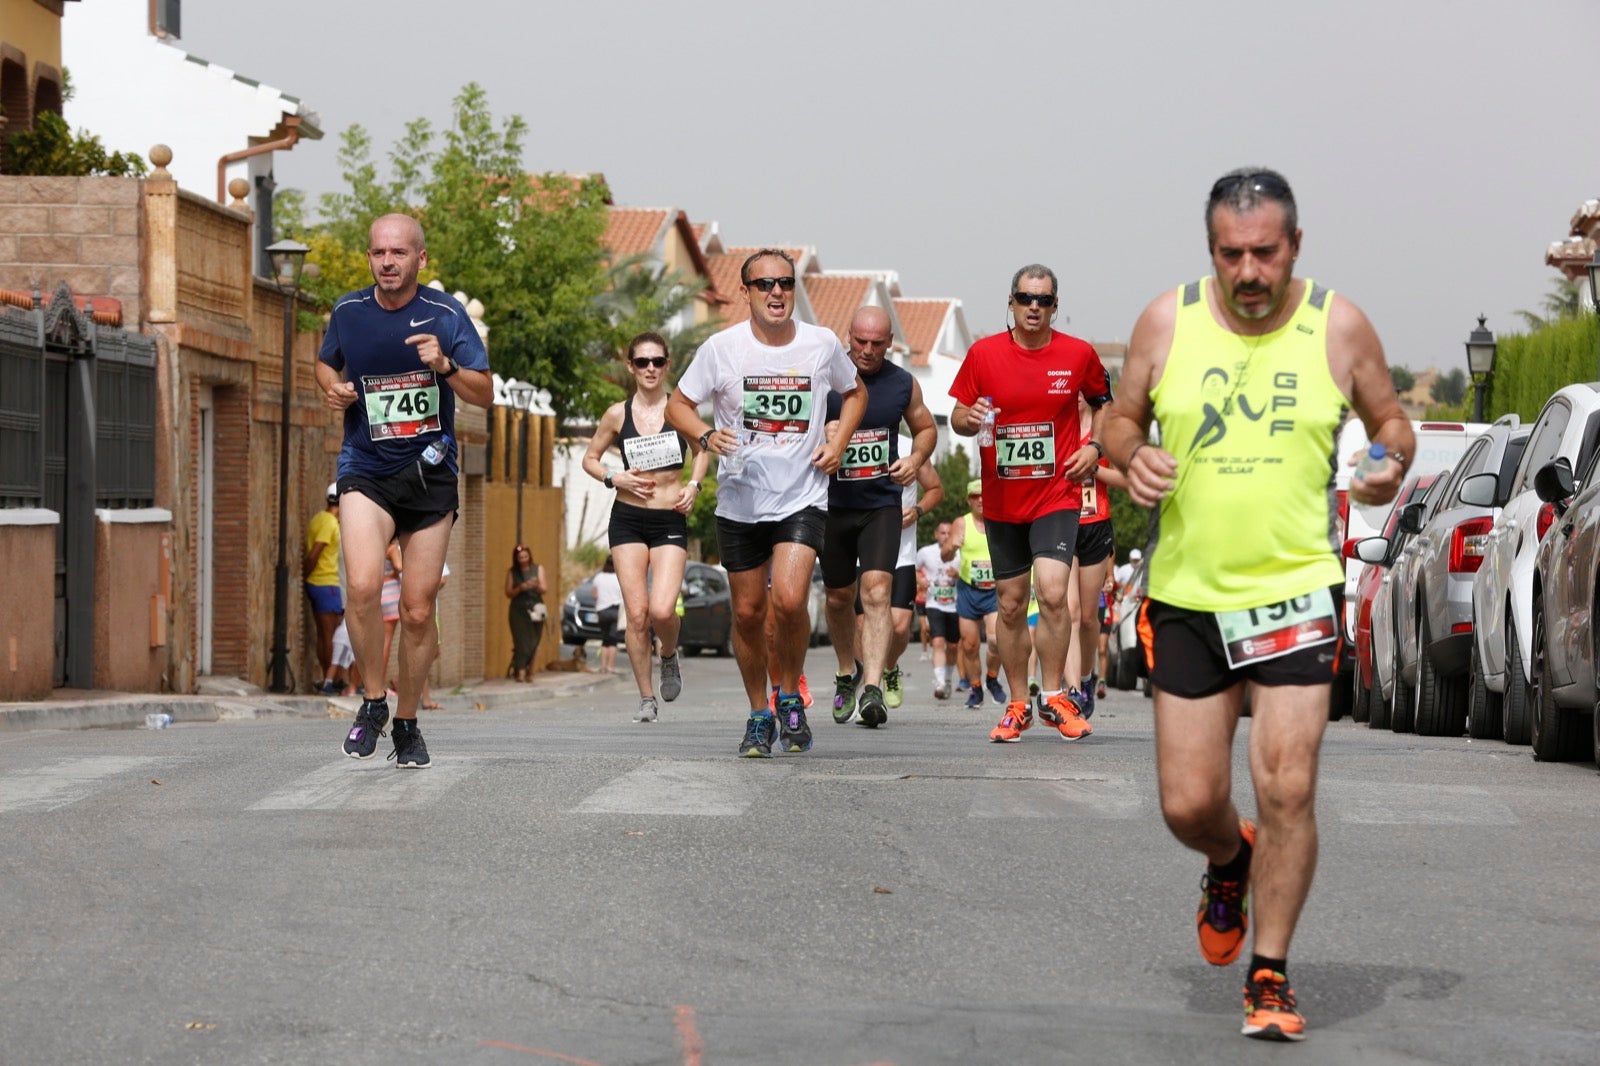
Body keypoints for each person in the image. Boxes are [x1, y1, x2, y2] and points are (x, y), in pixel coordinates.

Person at [1102, 167, 1412, 1042]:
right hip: (1189, 596)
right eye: (1232, 254)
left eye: (1265, 253)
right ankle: (1228, 860)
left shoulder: (1337, 325)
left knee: (1289, 782)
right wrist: (1133, 455)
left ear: (1295, 248)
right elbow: (1117, 420)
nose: (1249, 271)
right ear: (1211, 252)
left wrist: (1386, 459)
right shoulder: (1168, 320)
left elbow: (1392, 422)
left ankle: (1269, 972)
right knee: (1188, 805)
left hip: (1295, 590)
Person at [666, 248, 865, 758]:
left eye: (785, 283)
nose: (776, 292)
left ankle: (790, 694)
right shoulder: (721, 348)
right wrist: (706, 436)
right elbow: (678, 405)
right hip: (740, 501)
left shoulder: (821, 345)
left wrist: (839, 441)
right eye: (764, 285)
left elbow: (855, 392)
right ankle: (760, 712)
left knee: (792, 600)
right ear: (747, 292)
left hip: (802, 496)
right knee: (750, 613)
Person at [316, 213, 492, 769]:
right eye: (377, 253)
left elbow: (484, 393)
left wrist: (444, 365)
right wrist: (335, 390)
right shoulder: (348, 311)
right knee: (364, 586)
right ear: (369, 258)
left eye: (398, 253)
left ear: (421, 258)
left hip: (429, 473)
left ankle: (409, 721)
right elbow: (324, 364)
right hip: (365, 465)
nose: (387, 262)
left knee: (417, 611)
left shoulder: (445, 314)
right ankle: (373, 703)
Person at [950, 264, 1111, 744]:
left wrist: (1094, 447)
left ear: (1055, 305)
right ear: (1012, 302)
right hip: (1002, 501)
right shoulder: (983, 354)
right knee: (1011, 604)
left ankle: (1056, 695)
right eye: (1025, 298)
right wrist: (969, 415)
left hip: (1055, 496)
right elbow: (958, 416)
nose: (1033, 307)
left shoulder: (1078, 354)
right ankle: (1018, 704)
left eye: (1043, 299)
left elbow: (1103, 401)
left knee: (1055, 593)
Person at [584, 332, 710, 723]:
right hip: (627, 519)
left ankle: (668, 655)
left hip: (669, 517)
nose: (650, 369)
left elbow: (703, 448)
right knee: (637, 614)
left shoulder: (679, 410)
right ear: (631, 367)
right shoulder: (617, 414)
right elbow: (590, 458)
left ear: (667, 364)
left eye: (657, 361)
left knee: (661, 609)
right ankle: (645, 698)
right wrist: (613, 478)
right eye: (642, 362)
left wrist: (694, 485)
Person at [821, 307, 938, 728]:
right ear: (847, 336)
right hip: (832, 505)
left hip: (880, 506)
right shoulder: (825, 378)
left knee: (876, 592)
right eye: (860, 342)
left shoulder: (902, 383)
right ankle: (843, 672)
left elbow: (926, 429)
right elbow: (793, 431)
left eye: (876, 343)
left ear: (890, 343)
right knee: (837, 598)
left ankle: (872, 687)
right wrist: (825, 437)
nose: (867, 351)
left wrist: (916, 459)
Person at [1064, 393, 1128, 717]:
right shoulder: (1060, 427)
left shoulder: (1105, 434)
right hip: (1062, 524)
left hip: (1097, 525)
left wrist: (1093, 469)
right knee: (1070, 612)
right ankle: (1072, 689)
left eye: (1080, 392)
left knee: (1089, 618)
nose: (1074, 398)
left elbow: (1125, 478)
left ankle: (1086, 677)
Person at [943, 480, 1005, 710]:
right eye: (975, 496)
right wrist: (951, 547)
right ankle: (976, 688)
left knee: (996, 641)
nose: (981, 499)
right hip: (969, 589)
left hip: (993, 591)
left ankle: (992, 677)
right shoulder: (962, 523)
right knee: (969, 645)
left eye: (984, 495)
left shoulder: (999, 520)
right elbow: (945, 556)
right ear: (969, 500)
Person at [302, 483, 344, 695]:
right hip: (326, 582)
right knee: (331, 635)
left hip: (319, 583)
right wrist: (307, 574)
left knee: (323, 635)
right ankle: (331, 680)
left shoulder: (318, 518)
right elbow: (315, 552)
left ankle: (328, 676)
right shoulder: (329, 523)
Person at [916, 519, 960, 699]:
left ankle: (948, 678)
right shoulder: (926, 552)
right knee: (937, 642)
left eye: (950, 533)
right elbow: (913, 568)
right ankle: (940, 682)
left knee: (953, 645)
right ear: (936, 534)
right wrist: (920, 581)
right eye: (943, 533)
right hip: (934, 604)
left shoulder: (960, 554)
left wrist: (957, 575)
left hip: (956, 605)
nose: (946, 536)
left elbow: (970, 575)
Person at [505, 544, 546, 682]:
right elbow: (508, 593)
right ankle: (521, 672)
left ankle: (531, 672)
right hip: (518, 611)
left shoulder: (538, 568)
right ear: (516, 559)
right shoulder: (512, 572)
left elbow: (544, 588)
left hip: (536, 609)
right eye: (520, 557)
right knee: (521, 642)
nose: (523, 559)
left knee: (534, 642)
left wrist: (535, 586)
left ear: (529, 556)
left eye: (525, 556)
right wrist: (520, 588)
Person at [591, 555, 624, 674]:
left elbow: (594, 595)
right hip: (615, 610)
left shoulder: (598, 577)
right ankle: (610, 666)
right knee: (613, 640)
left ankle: (603, 667)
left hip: (602, 611)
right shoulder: (619, 578)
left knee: (605, 639)